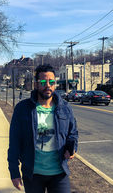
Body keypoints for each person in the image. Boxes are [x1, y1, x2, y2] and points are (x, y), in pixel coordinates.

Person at [8, 64, 78, 193]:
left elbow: (73, 133)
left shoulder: (65, 107)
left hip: (59, 173)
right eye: (43, 82)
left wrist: (72, 149)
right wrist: (14, 172)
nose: (48, 85)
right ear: (35, 84)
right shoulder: (23, 109)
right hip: (33, 173)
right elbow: (14, 142)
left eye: (51, 82)